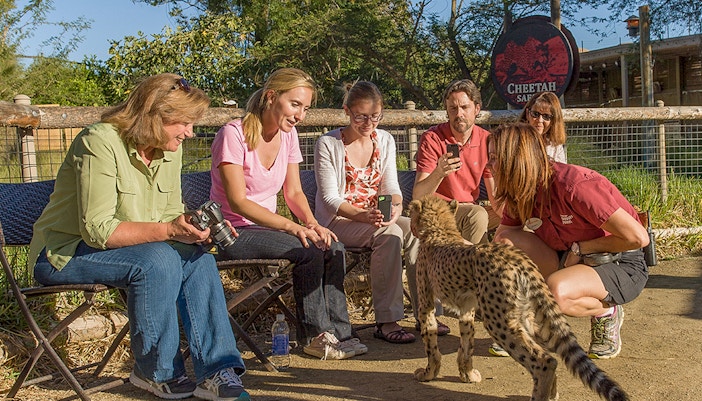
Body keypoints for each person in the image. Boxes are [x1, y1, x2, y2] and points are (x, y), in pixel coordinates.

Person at [28, 74, 250, 401]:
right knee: (157, 260)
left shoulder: (169, 149)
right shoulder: (99, 141)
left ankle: (217, 369)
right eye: (184, 123)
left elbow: (170, 212)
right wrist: (171, 231)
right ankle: (155, 372)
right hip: (62, 254)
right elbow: (99, 229)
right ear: (154, 115)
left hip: (136, 250)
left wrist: (192, 229)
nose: (190, 133)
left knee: (196, 256)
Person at [209, 68, 366, 360]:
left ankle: (342, 333)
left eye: (305, 108)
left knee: (331, 245)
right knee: (308, 250)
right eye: (295, 105)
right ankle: (315, 336)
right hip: (232, 231)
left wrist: (312, 224)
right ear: (271, 97)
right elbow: (239, 202)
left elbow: (293, 192)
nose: (300, 115)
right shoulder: (233, 134)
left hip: (267, 229)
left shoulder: (288, 134)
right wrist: (293, 229)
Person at [489, 122, 650, 360]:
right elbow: (500, 241)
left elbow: (638, 238)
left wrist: (583, 247)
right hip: (567, 257)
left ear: (516, 159)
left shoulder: (576, 185)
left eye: (494, 158)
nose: (488, 165)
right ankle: (522, 324)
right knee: (504, 243)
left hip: (617, 261)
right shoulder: (520, 190)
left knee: (556, 293)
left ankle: (608, 312)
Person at [314, 81, 420, 344]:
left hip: (375, 217)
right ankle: (387, 320)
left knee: (418, 230)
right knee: (390, 233)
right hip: (339, 221)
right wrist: (363, 216)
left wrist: (395, 206)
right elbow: (329, 199)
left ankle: (427, 311)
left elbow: (391, 186)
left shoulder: (385, 139)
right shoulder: (327, 143)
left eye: (375, 116)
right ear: (346, 111)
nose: (368, 123)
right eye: (360, 116)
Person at [413, 79, 502, 246]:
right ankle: (475, 264)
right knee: (477, 215)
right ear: (447, 111)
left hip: (470, 210)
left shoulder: (486, 139)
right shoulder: (432, 139)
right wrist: (439, 172)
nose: (459, 114)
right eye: (453, 108)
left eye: (464, 107)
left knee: (514, 213)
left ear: (477, 108)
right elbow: (419, 196)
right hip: (439, 210)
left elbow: (494, 194)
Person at [518, 91, 567, 163]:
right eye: (535, 114)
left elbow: (561, 172)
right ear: (527, 114)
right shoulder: (516, 140)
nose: (540, 120)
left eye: (546, 116)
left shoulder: (555, 146)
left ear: (554, 120)